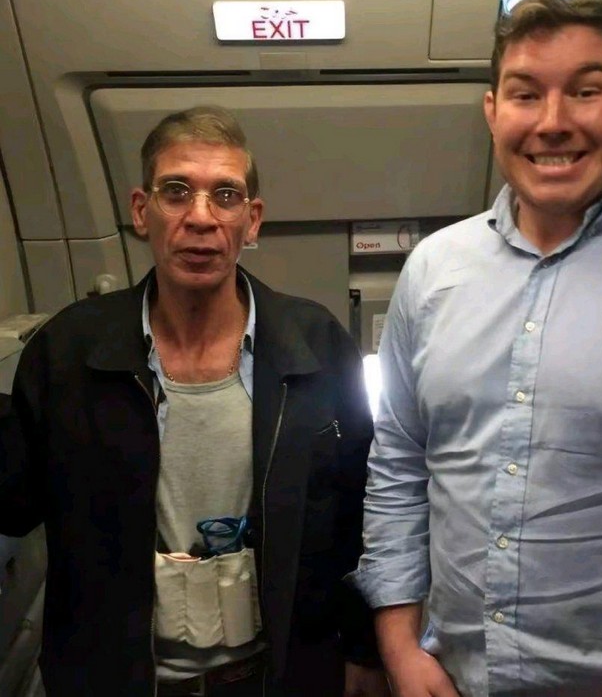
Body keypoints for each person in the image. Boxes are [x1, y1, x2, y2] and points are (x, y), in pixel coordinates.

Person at [348, 0, 602, 697]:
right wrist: (400, 646)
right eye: (525, 94)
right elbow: (399, 463)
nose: (553, 123)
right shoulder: (433, 270)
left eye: (585, 91)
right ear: (493, 110)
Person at [0, 106, 390, 697]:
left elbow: (364, 514)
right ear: (141, 211)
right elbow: (12, 503)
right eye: (176, 191)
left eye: (226, 196)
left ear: (252, 220)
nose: (201, 218)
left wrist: (365, 649)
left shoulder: (314, 343)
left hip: (280, 677)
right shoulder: (67, 354)